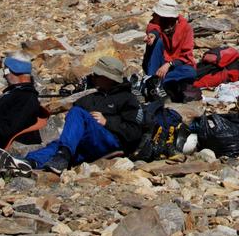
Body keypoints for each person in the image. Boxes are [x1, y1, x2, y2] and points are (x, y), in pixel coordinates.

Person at [17, 56, 145, 173]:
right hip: (89, 145)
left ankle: (61, 157)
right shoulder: (91, 97)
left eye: (96, 75)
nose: (92, 77)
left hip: (113, 143)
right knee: (61, 145)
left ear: (108, 78)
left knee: (77, 116)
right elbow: (74, 116)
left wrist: (107, 122)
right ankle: (30, 162)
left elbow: (134, 132)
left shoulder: (128, 99)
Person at [142, 0, 195, 99]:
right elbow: (153, 26)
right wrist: (153, 34)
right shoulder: (159, 23)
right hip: (158, 65)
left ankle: (156, 82)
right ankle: (151, 80)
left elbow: (186, 56)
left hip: (174, 66)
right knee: (158, 42)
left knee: (190, 72)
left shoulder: (186, 28)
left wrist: (169, 64)